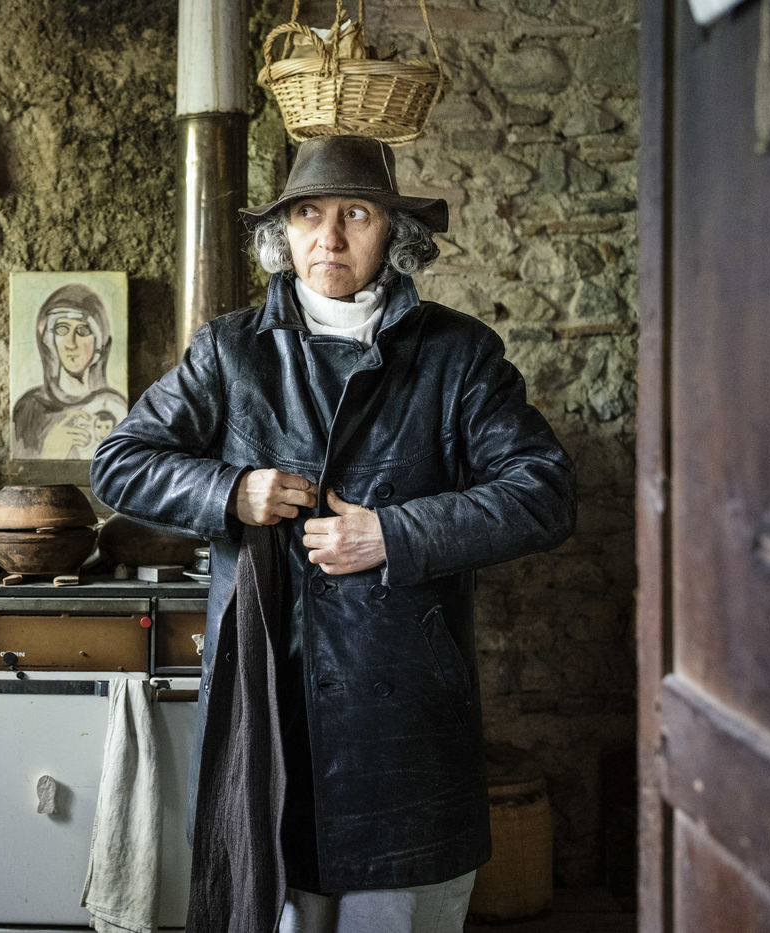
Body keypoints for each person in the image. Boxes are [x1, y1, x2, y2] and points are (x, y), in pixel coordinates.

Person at [89, 135, 576, 933]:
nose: (330, 237)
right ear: (282, 233)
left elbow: (545, 492)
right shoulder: (229, 352)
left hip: (404, 730)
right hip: (270, 715)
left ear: (395, 233)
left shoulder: (458, 355)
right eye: (309, 214)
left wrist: (393, 533)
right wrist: (231, 489)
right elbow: (119, 463)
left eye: (357, 214)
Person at [12, 283, 128, 459]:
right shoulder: (29, 407)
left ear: (99, 342)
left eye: (82, 330)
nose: (71, 344)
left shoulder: (115, 405)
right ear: (49, 340)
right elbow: (20, 470)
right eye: (62, 329)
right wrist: (51, 451)